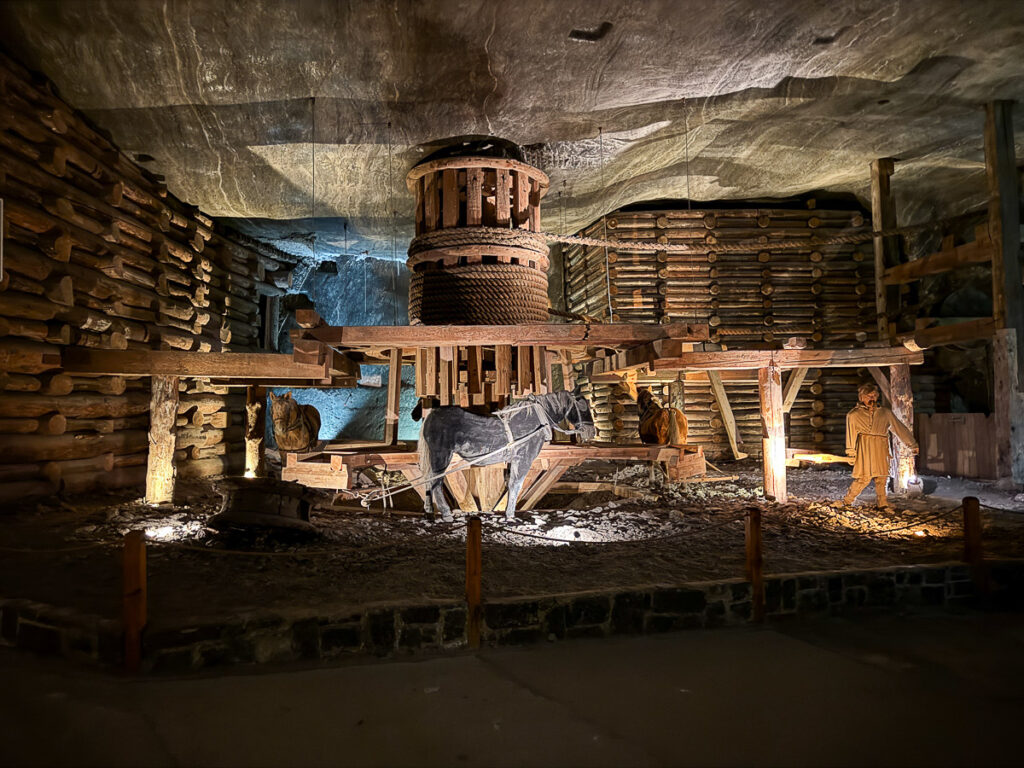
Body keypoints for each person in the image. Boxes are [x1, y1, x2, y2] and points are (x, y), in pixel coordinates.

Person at [842, 382, 918, 508]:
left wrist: (912, 444)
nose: (871, 399)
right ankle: (847, 501)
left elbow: (899, 428)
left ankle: (882, 503)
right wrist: (851, 452)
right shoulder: (853, 415)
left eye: (873, 396)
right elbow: (851, 434)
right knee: (864, 478)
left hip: (881, 447)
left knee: (882, 477)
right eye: (868, 396)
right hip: (864, 448)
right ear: (861, 398)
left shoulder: (885, 413)